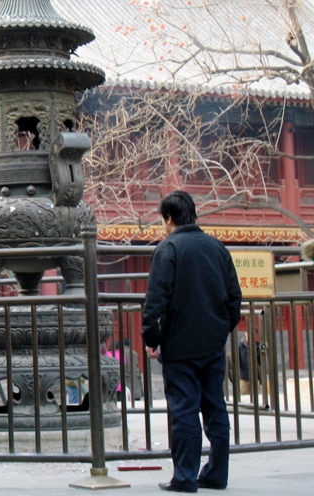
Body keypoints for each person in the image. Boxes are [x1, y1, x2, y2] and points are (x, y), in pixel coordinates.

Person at [142, 191, 242, 493]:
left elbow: (155, 303)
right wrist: (221, 329)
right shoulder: (217, 247)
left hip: (179, 345)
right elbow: (234, 299)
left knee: (184, 410)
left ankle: (185, 476)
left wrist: (152, 339)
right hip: (213, 345)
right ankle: (216, 474)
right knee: (215, 408)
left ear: (168, 218)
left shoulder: (168, 249)